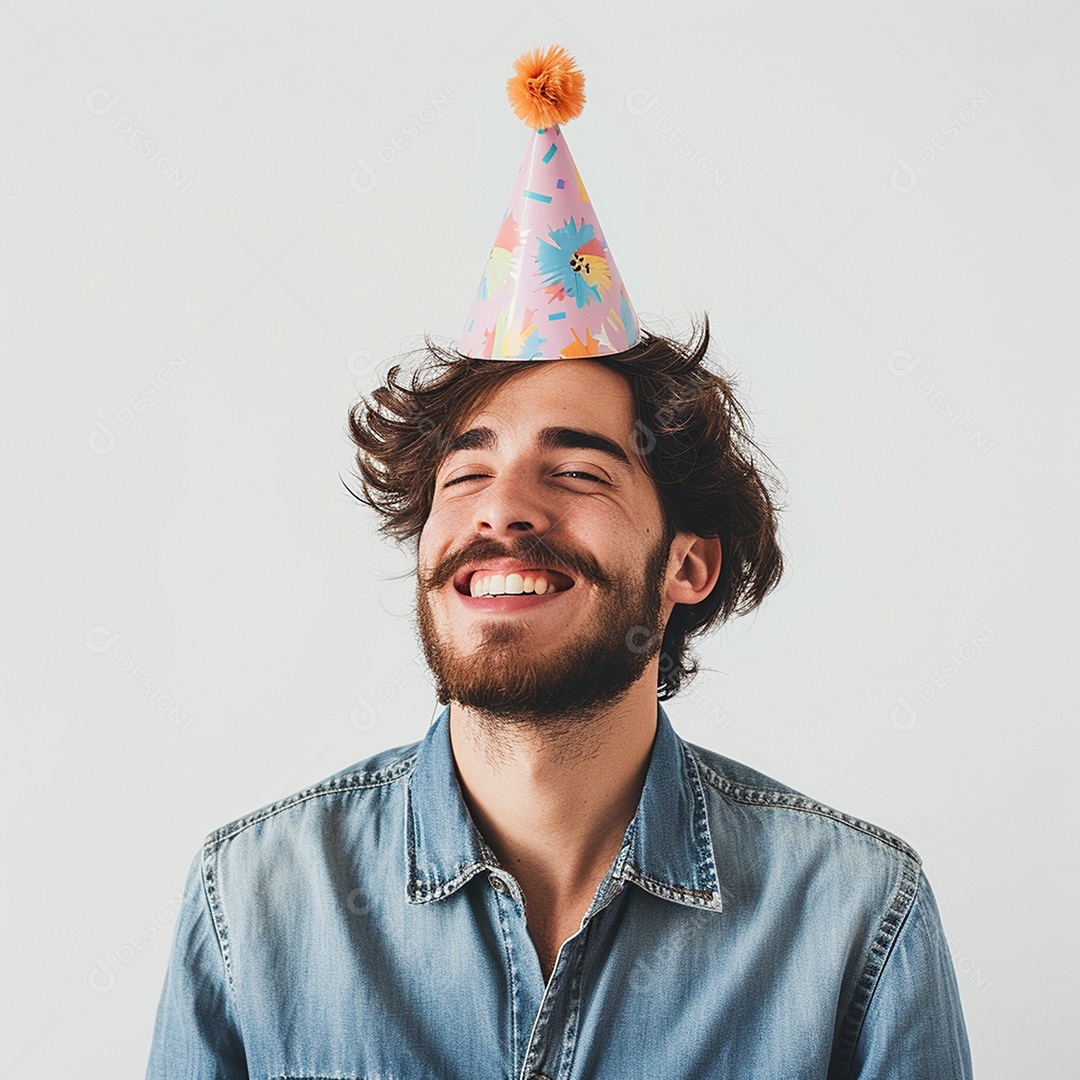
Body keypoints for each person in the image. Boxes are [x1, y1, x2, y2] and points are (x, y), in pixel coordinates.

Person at [147, 46, 973, 1080]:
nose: (503, 510)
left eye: (577, 472)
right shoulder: (252, 903)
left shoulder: (858, 918)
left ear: (687, 566)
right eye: (465, 475)